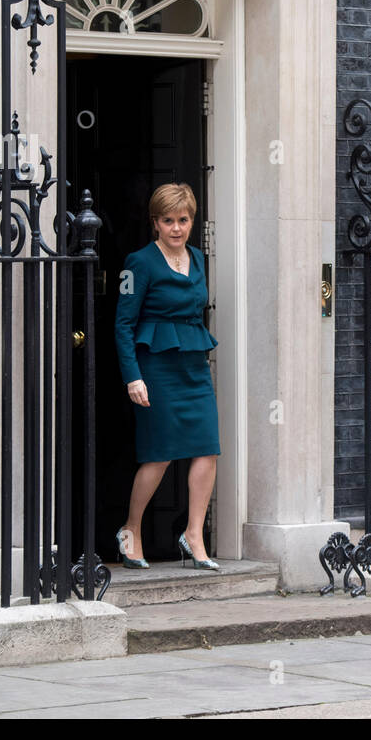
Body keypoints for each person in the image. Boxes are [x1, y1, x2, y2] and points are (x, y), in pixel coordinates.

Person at [114, 182, 221, 571]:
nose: (176, 227)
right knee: (159, 455)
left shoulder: (197, 257)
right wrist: (133, 377)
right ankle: (131, 529)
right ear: (155, 223)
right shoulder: (138, 262)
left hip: (193, 364)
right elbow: (123, 325)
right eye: (168, 221)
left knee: (207, 448)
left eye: (183, 220)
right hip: (155, 368)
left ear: (192, 221)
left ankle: (193, 534)